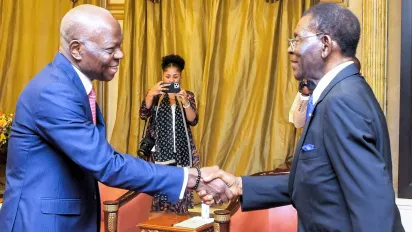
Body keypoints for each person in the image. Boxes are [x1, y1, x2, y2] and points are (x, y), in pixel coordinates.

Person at [0, 5, 232, 232]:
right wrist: (192, 178)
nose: (120, 55)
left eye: (119, 47)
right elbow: (106, 164)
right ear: (77, 49)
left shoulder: (71, 85)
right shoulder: (54, 91)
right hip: (43, 224)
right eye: (111, 49)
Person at [200, 3, 404, 232]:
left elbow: (373, 208)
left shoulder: (341, 101)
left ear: (325, 45)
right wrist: (239, 185)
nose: (290, 48)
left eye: (297, 39)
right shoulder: (340, 93)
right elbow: (317, 180)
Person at [139, 54, 200, 214]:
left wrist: (185, 101)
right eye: (167, 76)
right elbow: (143, 114)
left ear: (180, 77)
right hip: (158, 151)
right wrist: (150, 95)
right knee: (160, 189)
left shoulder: (188, 95)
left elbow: (193, 120)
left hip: (182, 150)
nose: (171, 80)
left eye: (175, 76)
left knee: (181, 187)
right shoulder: (156, 95)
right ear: (162, 76)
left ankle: (180, 220)